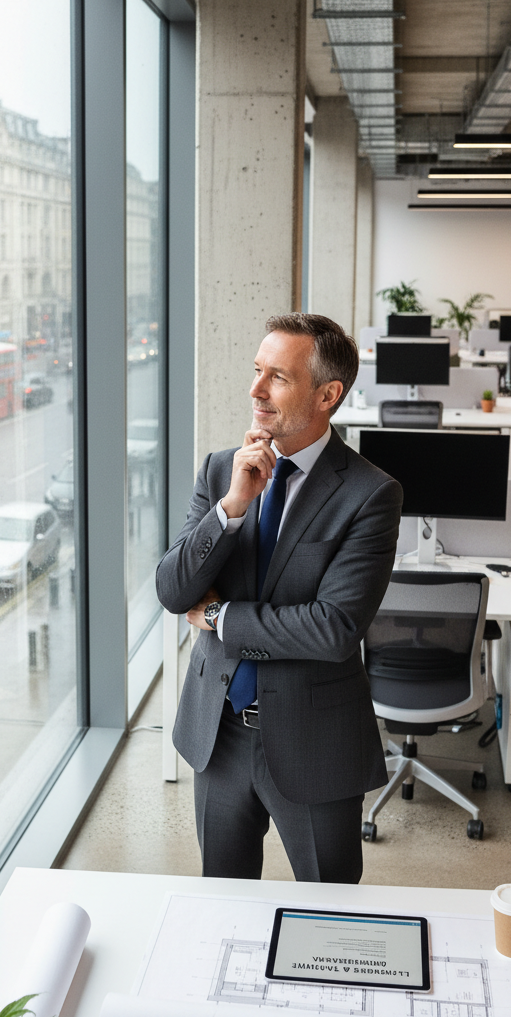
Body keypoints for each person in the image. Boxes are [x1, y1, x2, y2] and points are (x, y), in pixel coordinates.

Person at [155, 312, 403, 883]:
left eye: (278, 378)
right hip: (217, 733)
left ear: (327, 395)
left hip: (313, 742)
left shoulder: (370, 494)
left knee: (330, 907)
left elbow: (332, 628)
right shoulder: (223, 470)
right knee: (223, 899)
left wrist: (218, 615)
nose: (255, 390)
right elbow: (172, 590)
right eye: (256, 371)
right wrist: (233, 506)